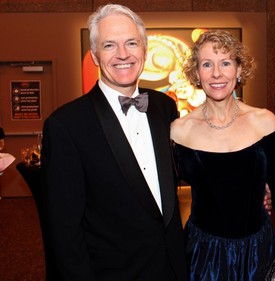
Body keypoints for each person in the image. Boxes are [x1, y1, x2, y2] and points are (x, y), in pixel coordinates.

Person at [40, 4, 187, 280]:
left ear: (144, 49)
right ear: (95, 56)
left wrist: (252, 188)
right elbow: (63, 234)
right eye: (109, 45)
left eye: (132, 43)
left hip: (172, 269)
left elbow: (187, 170)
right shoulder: (65, 126)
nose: (123, 54)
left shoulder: (164, 107)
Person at [171, 30, 275, 281]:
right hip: (202, 255)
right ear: (196, 74)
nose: (217, 73)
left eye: (226, 63)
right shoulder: (179, 130)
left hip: (258, 251)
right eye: (207, 64)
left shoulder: (264, 121)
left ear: (239, 70)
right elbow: (167, 201)